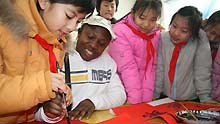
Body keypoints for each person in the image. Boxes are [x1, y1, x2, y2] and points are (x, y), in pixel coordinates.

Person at [0, 0, 95, 123]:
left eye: (78, 21)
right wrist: (43, 85)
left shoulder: (57, 43)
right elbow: (40, 84)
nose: (72, 27)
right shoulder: (3, 28)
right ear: (44, 2)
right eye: (69, 16)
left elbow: (34, 103)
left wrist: (49, 107)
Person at [35, 16, 126, 122]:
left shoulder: (108, 63)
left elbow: (120, 95)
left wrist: (93, 102)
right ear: (79, 33)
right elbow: (36, 113)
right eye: (90, 37)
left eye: (101, 44)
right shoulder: (60, 56)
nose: (93, 45)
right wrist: (47, 111)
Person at [154, 6, 214, 103]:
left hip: (190, 99)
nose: (176, 33)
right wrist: (155, 94)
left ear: (194, 33)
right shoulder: (163, 38)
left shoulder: (199, 41)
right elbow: (159, 68)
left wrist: (204, 97)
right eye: (174, 26)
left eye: (184, 31)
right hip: (165, 97)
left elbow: (202, 70)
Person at [108, 0, 162, 104]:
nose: (146, 24)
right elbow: (127, 68)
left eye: (152, 20)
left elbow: (151, 69)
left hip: (144, 96)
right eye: (142, 18)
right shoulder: (119, 31)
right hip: (124, 94)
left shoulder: (155, 35)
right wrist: (134, 100)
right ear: (133, 13)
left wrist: (147, 99)